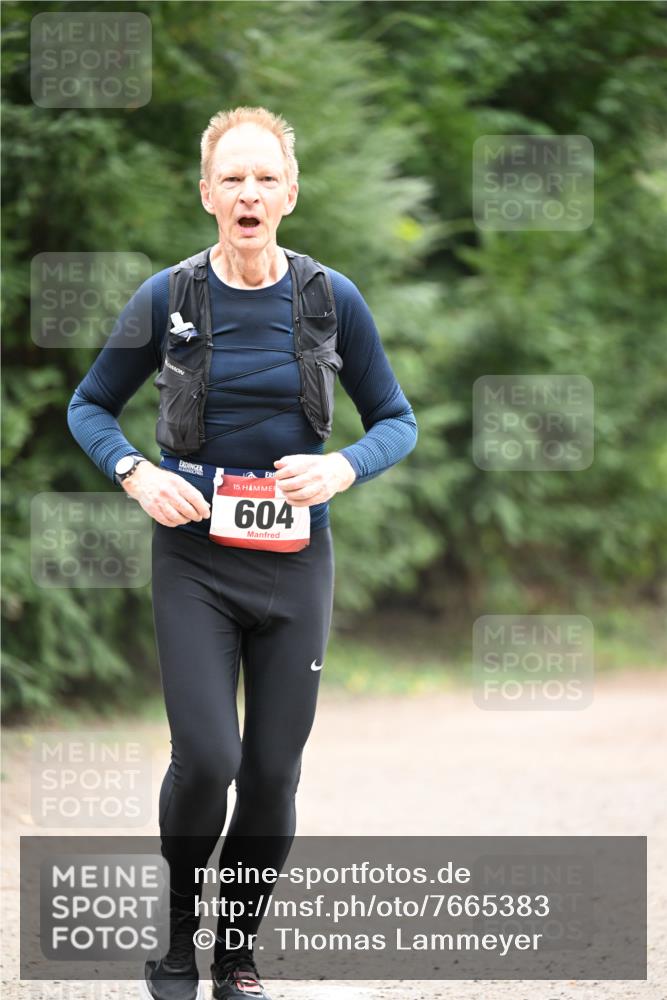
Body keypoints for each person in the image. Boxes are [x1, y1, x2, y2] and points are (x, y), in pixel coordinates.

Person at [68, 106, 417, 1000]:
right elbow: (90, 406)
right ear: (207, 194)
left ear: (290, 193)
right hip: (192, 557)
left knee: (270, 774)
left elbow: (397, 422)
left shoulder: (329, 298)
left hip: (297, 561)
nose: (249, 193)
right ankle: (176, 944)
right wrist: (137, 475)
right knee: (210, 757)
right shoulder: (169, 297)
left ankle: (236, 956)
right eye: (233, 178)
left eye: (266, 178)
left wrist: (341, 467)